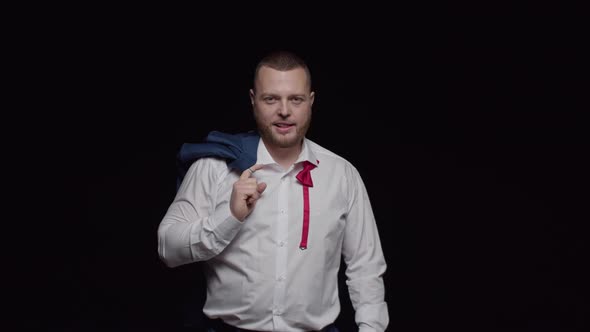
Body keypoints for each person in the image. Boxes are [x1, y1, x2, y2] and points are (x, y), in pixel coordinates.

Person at [158, 50, 389, 331]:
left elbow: (366, 267)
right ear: (254, 100)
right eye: (271, 99)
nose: (284, 110)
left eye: (296, 99)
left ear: (311, 102)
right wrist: (228, 217)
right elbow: (167, 248)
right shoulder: (213, 168)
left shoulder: (342, 175)